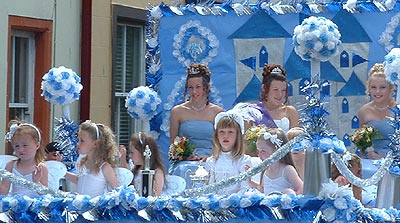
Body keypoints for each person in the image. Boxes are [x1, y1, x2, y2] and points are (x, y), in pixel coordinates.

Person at [169, 63, 223, 187]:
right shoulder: (177, 112)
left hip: (210, 160)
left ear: (206, 87)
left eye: (198, 87)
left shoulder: (218, 112)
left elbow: (222, 144)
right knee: (184, 169)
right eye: (190, 87)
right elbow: (173, 146)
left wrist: (210, 157)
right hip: (186, 162)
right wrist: (185, 156)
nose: (194, 92)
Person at [64, 120, 120, 197]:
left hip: (95, 207)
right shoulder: (83, 162)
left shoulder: (104, 167)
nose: (78, 144)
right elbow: (80, 180)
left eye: (82, 141)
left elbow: (118, 190)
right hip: (80, 206)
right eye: (78, 140)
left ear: (95, 144)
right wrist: (63, 173)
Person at [205, 111, 252, 195]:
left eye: (230, 132)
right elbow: (210, 187)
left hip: (237, 203)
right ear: (217, 136)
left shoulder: (244, 160)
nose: (225, 136)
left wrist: (231, 201)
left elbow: (245, 187)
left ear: (237, 136)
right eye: (222, 132)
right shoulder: (211, 161)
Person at [248, 128, 303, 195]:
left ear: (276, 151)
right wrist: (250, 182)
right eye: (258, 151)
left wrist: (292, 196)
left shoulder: (287, 170)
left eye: (263, 151)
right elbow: (262, 189)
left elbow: (301, 188)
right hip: (268, 204)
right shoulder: (266, 170)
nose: (259, 155)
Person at [357, 63, 396, 159]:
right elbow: (363, 144)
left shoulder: (397, 109)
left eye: (382, 87)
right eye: (373, 87)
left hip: (394, 162)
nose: (377, 92)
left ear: (390, 88)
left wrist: (383, 156)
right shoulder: (364, 111)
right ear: (368, 89)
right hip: (371, 160)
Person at [0, 120, 48, 196]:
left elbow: (45, 194)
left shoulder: (41, 168)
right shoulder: (11, 165)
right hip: (15, 204)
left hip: (34, 205)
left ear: (37, 146)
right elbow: (4, 187)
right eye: (17, 146)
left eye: (25, 145)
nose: (21, 149)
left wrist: (36, 182)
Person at [129, 132, 166, 196]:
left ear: (142, 152)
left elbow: (156, 196)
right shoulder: (135, 170)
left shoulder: (157, 172)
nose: (130, 155)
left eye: (132, 152)